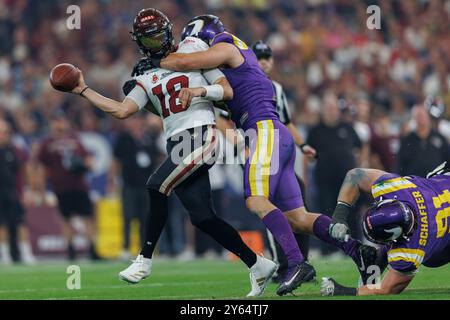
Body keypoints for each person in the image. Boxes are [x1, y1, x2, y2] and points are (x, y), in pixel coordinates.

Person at [137, 14, 381, 295]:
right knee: (297, 218)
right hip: (275, 133)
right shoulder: (234, 61)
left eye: (192, 41)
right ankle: (360, 251)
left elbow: (186, 62)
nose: (188, 47)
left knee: (255, 200)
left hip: (263, 131)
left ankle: (297, 263)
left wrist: (156, 62)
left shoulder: (226, 45)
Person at [64, 8, 276, 297]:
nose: (154, 45)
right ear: (139, 43)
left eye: (157, 38)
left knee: (156, 184)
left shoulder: (193, 49)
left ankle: (145, 259)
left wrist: (199, 93)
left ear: (168, 32)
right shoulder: (144, 72)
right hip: (177, 142)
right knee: (202, 217)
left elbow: (225, 90)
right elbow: (122, 110)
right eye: (148, 41)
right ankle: (258, 264)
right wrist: (83, 89)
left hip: (202, 134)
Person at [323, 161, 450, 296]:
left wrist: (342, 291)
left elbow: (387, 289)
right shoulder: (397, 189)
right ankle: (376, 263)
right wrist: (339, 217)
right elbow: (355, 176)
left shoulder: (413, 248)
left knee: (433, 260)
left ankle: (377, 261)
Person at [252, 40, 314, 281]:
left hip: (279, 154)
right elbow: (225, 120)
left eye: (267, 57)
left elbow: (286, 121)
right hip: (261, 156)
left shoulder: (276, 88)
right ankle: (282, 264)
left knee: (298, 201)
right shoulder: (242, 85)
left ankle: (302, 263)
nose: (264, 61)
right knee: (270, 207)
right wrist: (242, 146)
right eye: (259, 56)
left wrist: (304, 145)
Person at [37, 110, 99, 261]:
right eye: (56, 121)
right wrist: (41, 190)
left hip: (78, 184)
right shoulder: (46, 144)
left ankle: (93, 249)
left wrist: (86, 164)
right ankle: (70, 250)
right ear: (51, 124)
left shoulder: (75, 139)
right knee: (66, 219)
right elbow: (41, 168)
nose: (59, 124)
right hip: (61, 186)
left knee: (87, 217)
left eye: (61, 121)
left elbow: (88, 160)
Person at [112, 115, 163, 260]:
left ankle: (144, 249)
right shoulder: (123, 138)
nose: (134, 123)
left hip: (146, 184)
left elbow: (158, 156)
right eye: (131, 120)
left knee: (144, 217)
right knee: (128, 216)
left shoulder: (149, 137)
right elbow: (116, 159)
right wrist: (115, 179)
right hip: (129, 183)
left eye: (136, 120)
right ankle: (126, 248)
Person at [0, 119, 35, 265]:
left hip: (13, 192)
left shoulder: (15, 151)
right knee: (2, 225)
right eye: (2, 132)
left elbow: (24, 172)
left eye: (6, 132)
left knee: (20, 223)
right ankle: (5, 255)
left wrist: (27, 190)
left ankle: (26, 253)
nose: (4, 135)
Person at [397, 104, 450, 177]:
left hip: (435, 181)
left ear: (428, 116)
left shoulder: (439, 138)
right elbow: (399, 164)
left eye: (422, 115)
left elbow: (447, 159)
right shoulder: (407, 140)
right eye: (418, 116)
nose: (421, 118)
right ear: (414, 118)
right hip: (414, 183)